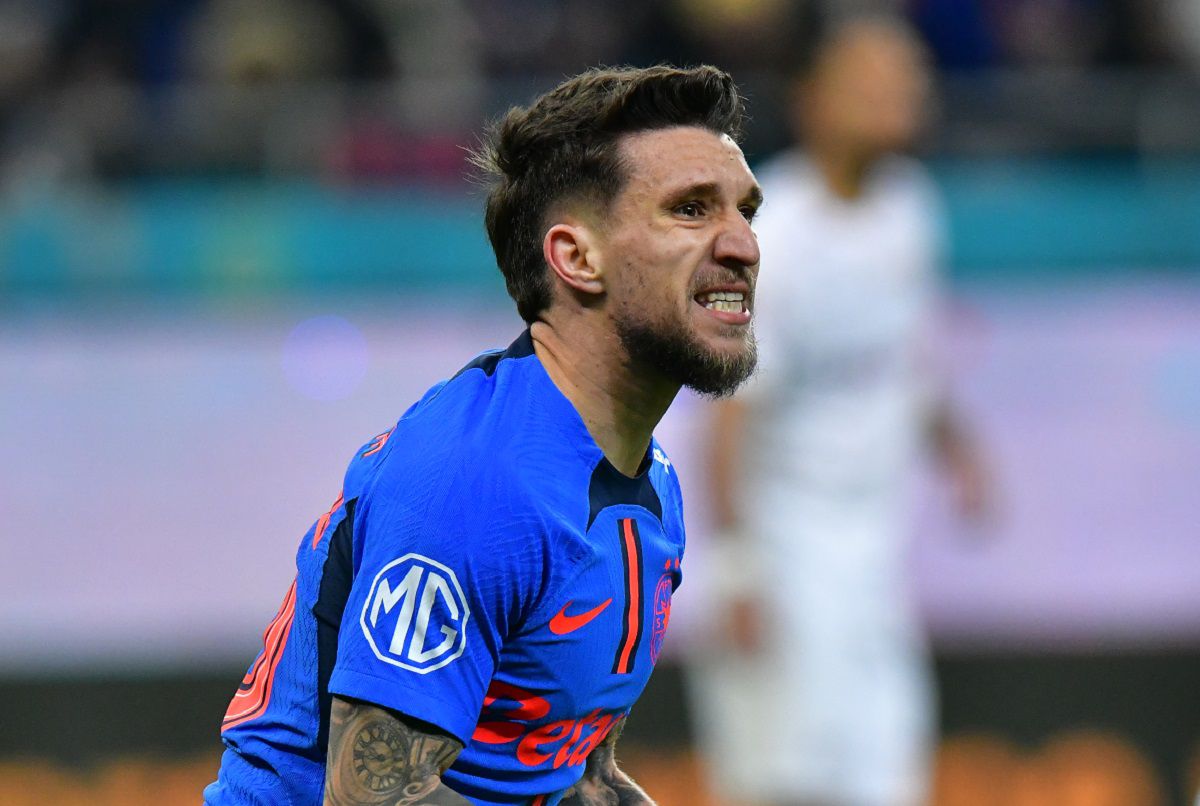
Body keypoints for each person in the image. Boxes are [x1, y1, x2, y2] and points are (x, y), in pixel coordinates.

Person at [204, 64, 764, 806]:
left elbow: (573, 769)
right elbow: (372, 797)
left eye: (745, 211)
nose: (743, 245)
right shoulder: (477, 480)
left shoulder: (645, 476)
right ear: (576, 258)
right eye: (691, 210)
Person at [689, 17, 989, 806]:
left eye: (909, 77)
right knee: (785, 782)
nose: (900, 95)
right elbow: (727, 416)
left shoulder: (910, 210)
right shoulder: (770, 235)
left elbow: (907, 360)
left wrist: (958, 450)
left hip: (875, 555)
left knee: (888, 774)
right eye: (873, 80)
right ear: (814, 99)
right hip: (786, 548)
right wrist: (737, 572)